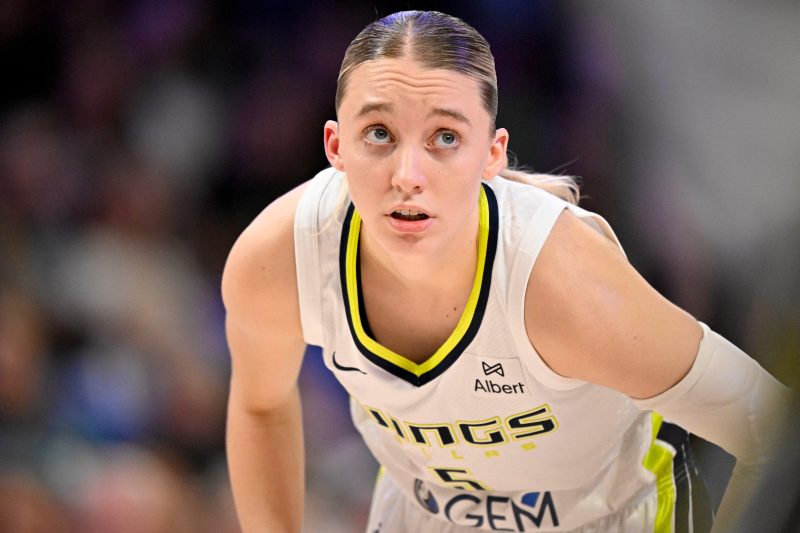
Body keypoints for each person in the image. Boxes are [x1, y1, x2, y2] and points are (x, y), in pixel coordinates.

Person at [221, 10, 790, 533]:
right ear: (335, 145)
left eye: (446, 138)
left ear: (491, 155)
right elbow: (260, 404)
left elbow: (770, 425)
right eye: (379, 134)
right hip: (424, 514)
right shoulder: (280, 259)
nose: (407, 175)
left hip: (609, 516)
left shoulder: (564, 283)